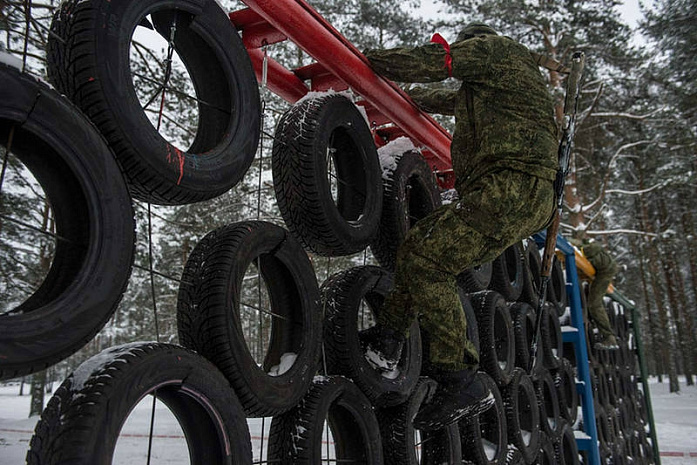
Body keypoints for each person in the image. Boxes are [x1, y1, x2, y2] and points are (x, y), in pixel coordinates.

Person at [360, 22, 559, 431]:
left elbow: (439, 63)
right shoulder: (496, 92)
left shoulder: (498, 50)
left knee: (426, 257)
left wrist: (370, 63)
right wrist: (408, 99)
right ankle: (388, 340)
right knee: (426, 253)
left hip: (510, 185)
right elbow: (443, 96)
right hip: (522, 197)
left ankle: (460, 376)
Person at [580, 239, 619, 349]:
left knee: (594, 304)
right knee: (593, 303)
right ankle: (607, 335)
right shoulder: (590, 249)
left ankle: (609, 337)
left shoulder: (583, 252)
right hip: (605, 270)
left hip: (604, 273)